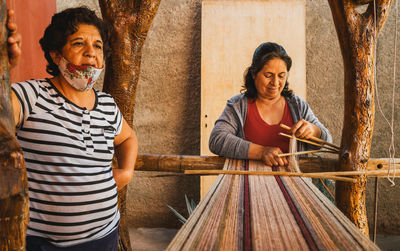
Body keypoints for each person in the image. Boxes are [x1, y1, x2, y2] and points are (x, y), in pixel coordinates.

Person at [6, 7, 138, 250]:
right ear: (56, 55)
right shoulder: (30, 96)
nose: (91, 53)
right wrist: (3, 70)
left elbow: (128, 137)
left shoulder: (107, 105)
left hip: (106, 235)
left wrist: (126, 172)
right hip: (44, 243)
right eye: (79, 44)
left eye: (98, 46)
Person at [209, 42, 332, 167]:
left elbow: (327, 144)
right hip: (248, 182)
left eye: (281, 76)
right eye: (268, 75)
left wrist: (314, 131)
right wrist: (261, 152)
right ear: (253, 74)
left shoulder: (297, 106)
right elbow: (217, 139)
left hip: (292, 182)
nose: (275, 82)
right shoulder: (238, 106)